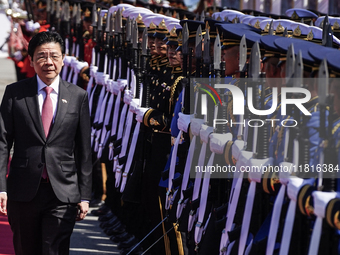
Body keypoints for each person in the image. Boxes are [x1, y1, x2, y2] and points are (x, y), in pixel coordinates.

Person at [0, 31, 92, 255]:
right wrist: (1, 188)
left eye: (54, 56)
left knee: (54, 250)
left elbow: (84, 150)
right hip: (23, 191)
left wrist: (85, 195)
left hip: (63, 192)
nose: (48, 62)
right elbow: (2, 142)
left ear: (63, 59)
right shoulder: (15, 93)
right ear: (31, 60)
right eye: (41, 56)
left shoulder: (77, 96)